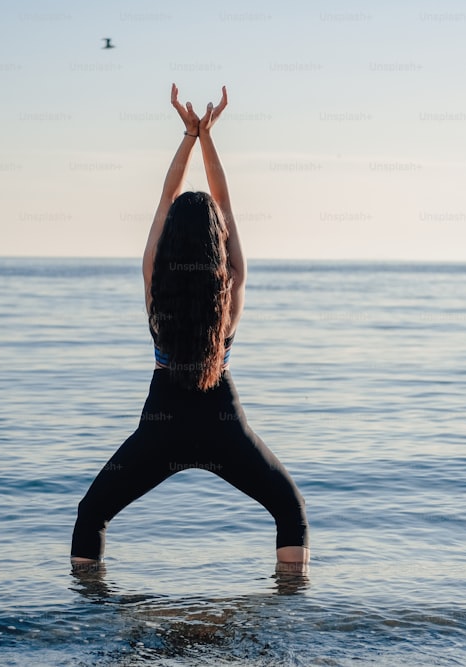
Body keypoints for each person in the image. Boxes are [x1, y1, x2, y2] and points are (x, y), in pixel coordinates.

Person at [70, 84, 309, 574]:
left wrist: (188, 134)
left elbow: (165, 200)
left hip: (162, 427)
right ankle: (290, 613)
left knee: (92, 514)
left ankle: (87, 620)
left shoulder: (155, 281)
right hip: (225, 426)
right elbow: (226, 202)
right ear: (217, 245)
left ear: (171, 244)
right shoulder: (232, 288)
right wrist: (208, 137)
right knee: (290, 511)